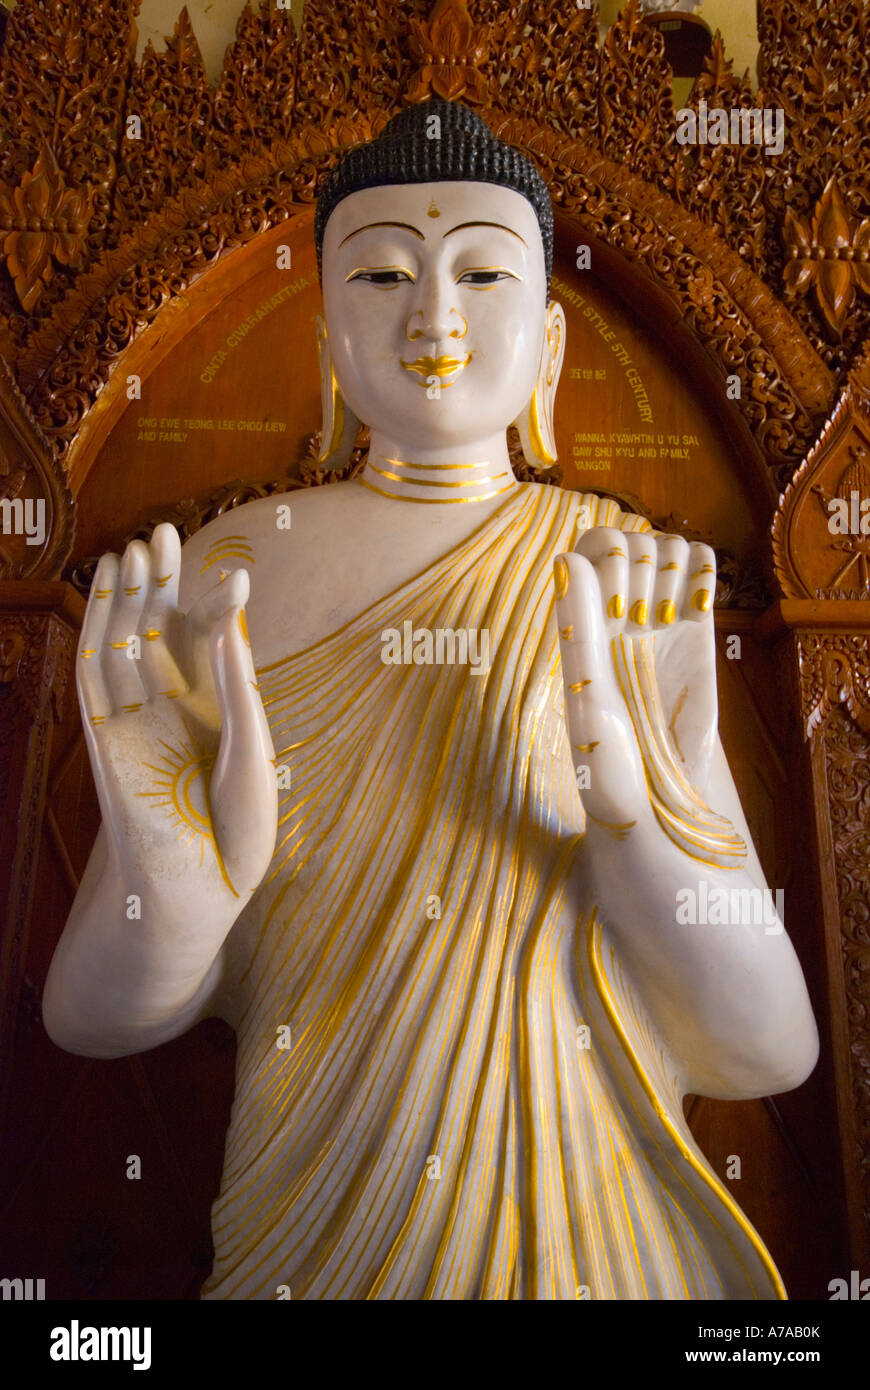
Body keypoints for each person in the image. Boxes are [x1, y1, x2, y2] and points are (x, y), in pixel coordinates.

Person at [44, 100, 818, 1300]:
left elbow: (766, 1046)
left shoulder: (628, 584)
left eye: (483, 273)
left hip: (586, 1243)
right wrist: (168, 897)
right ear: (324, 341)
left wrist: (636, 824)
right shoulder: (222, 578)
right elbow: (92, 1020)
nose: (435, 318)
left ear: (550, 347)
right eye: (386, 272)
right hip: (307, 1234)